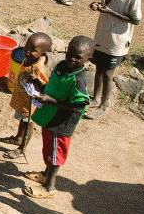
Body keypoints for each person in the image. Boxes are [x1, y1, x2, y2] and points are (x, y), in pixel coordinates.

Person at [23, 35, 94, 199]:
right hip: (50, 118)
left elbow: (79, 106)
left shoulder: (78, 80)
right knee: (49, 150)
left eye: (78, 57)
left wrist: (51, 101)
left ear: (88, 59)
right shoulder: (62, 66)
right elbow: (52, 87)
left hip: (61, 124)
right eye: (70, 54)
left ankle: (49, 187)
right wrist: (39, 85)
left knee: (55, 155)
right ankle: (45, 175)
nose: (72, 59)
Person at [84, 0, 141, 120]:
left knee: (108, 74)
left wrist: (110, 12)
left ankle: (104, 105)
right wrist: (96, 5)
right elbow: (105, 6)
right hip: (102, 36)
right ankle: (95, 98)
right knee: (98, 69)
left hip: (117, 42)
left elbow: (135, 20)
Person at [2, 32, 52, 159]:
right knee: (22, 121)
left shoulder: (38, 67)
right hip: (22, 99)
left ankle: (22, 148)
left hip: (30, 103)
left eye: (33, 50)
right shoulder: (28, 58)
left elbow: (44, 87)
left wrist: (36, 80)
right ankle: (18, 138)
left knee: (28, 124)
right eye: (26, 47)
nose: (28, 51)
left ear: (42, 53)